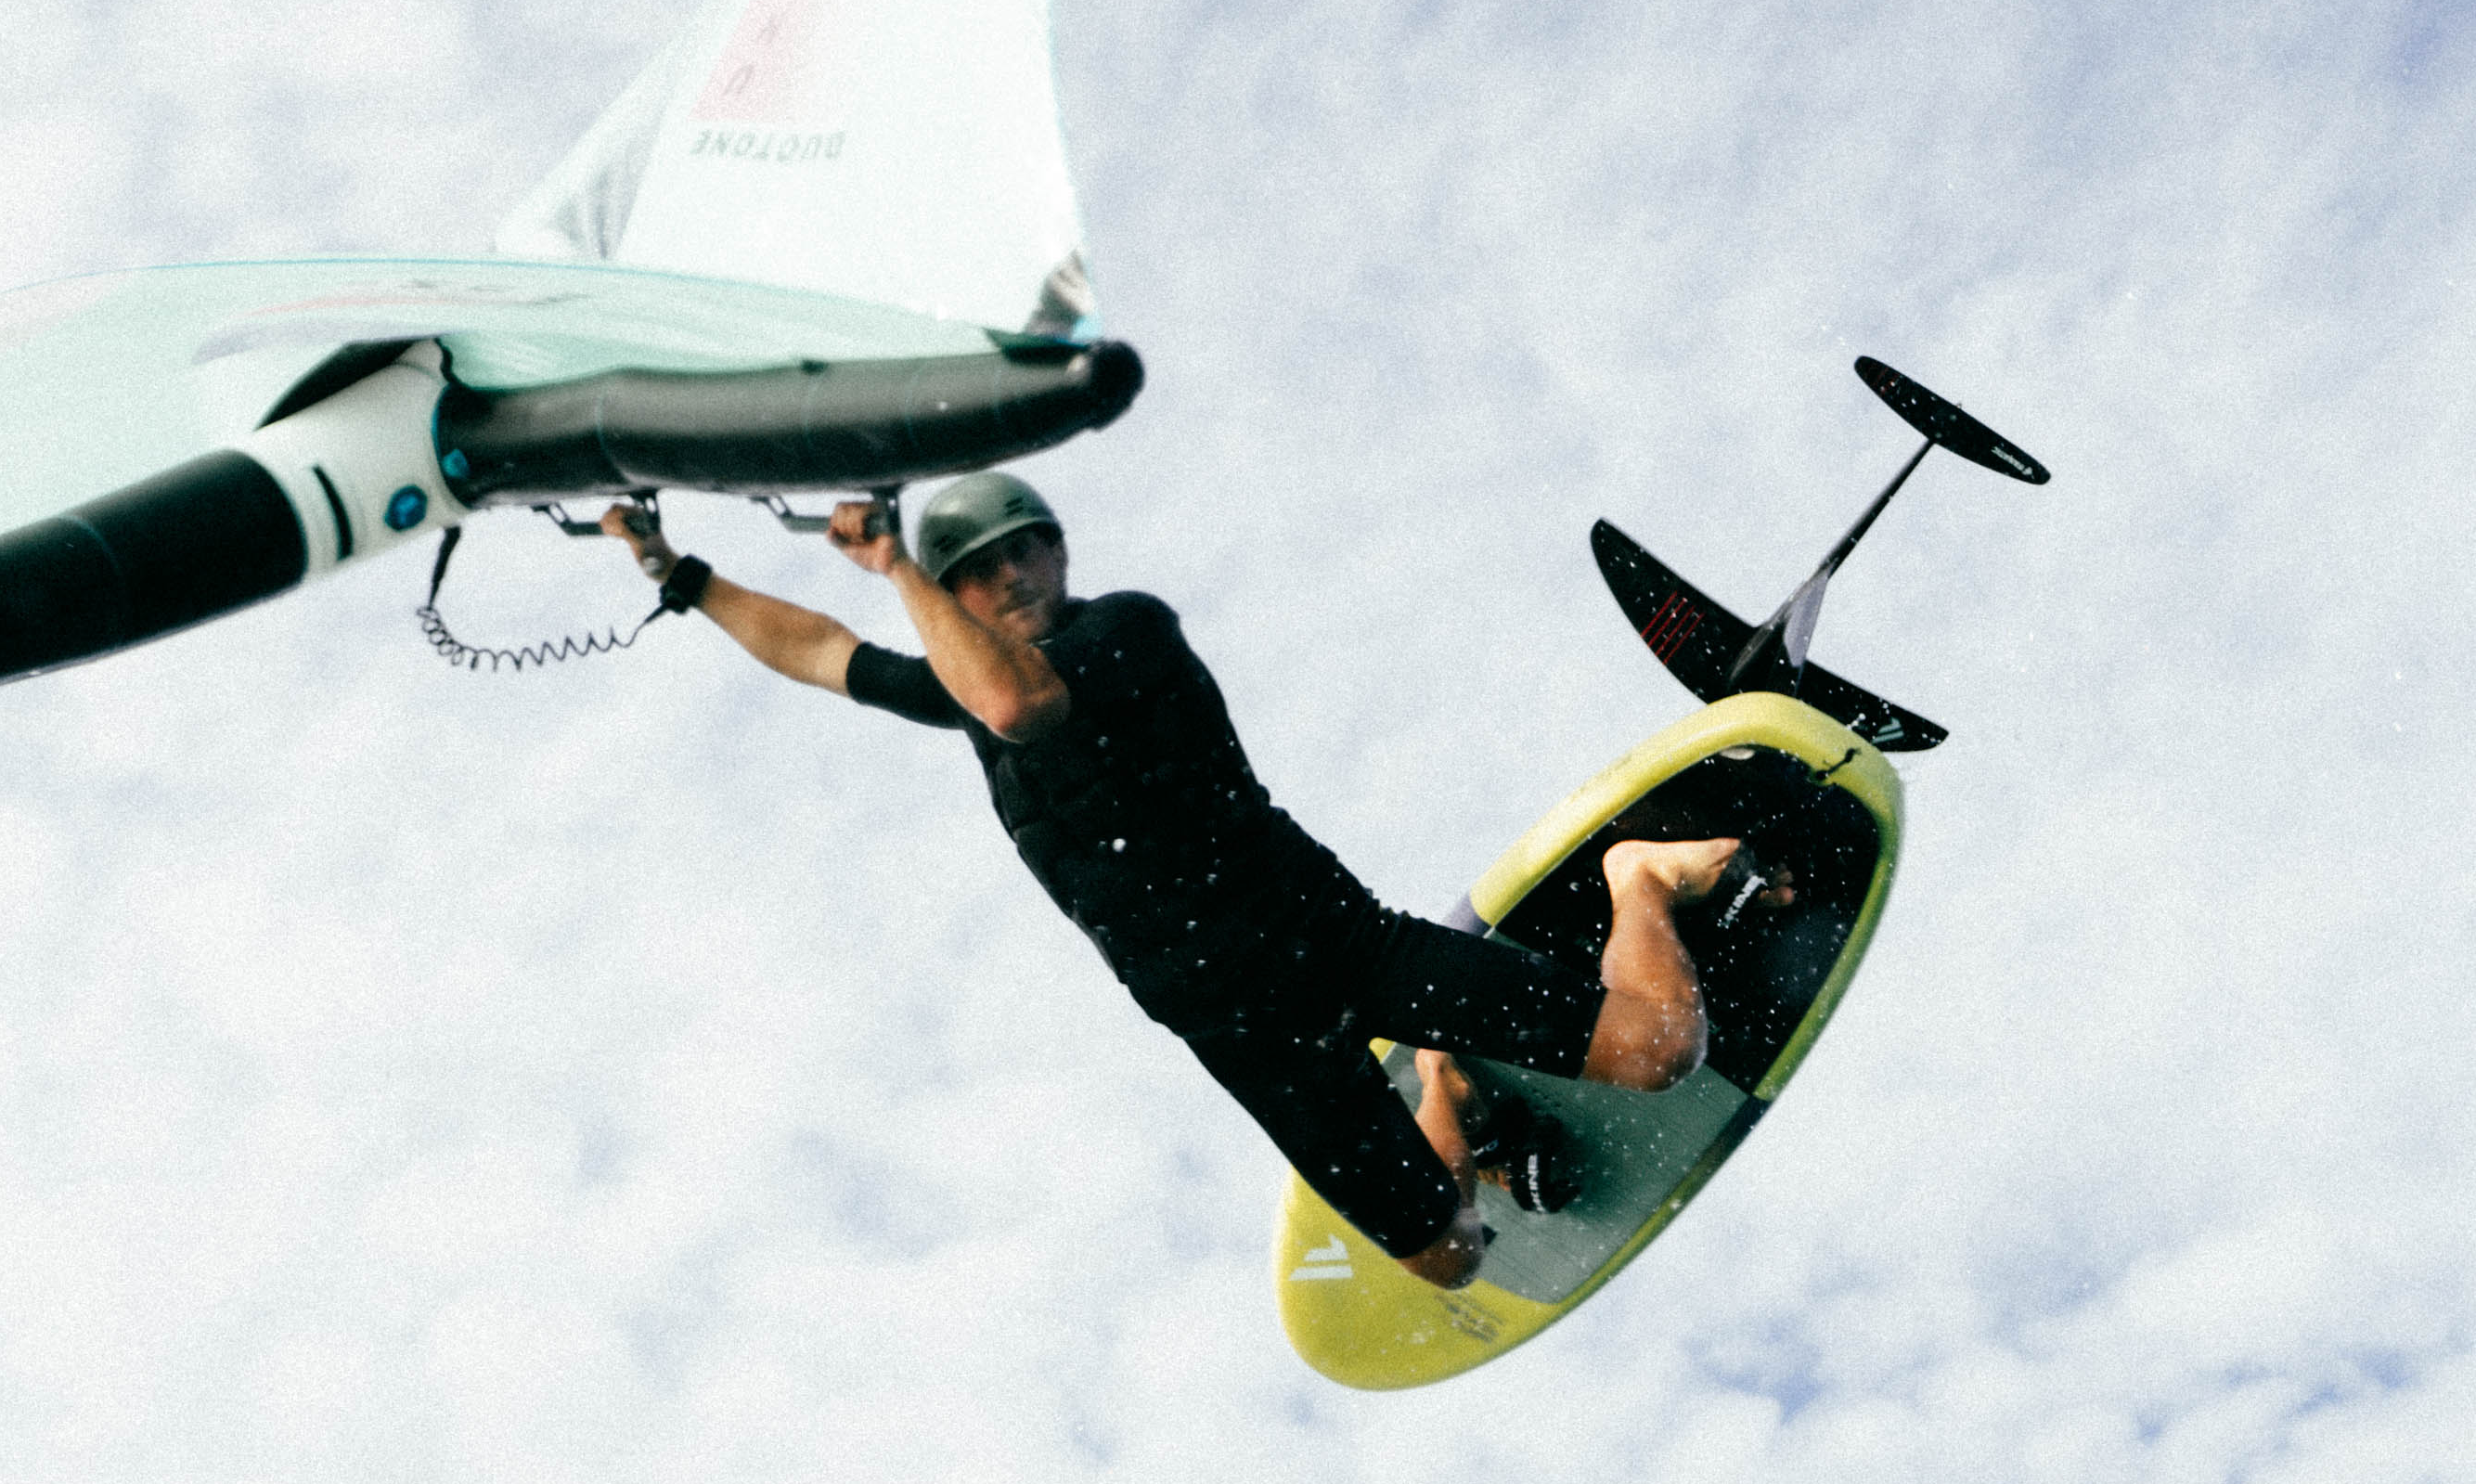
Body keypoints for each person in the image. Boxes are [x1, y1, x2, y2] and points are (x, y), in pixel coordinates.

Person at [601, 471, 1759, 1289]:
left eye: (1020, 549)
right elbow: (814, 650)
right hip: (1244, 1033)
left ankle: (1634, 882)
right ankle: (1446, 1093)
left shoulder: (1127, 632)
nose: (1005, 575)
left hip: (1338, 942)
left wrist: (897, 564)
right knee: (1448, 1257)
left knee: (1661, 1053)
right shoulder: (960, 688)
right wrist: (681, 575)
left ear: (1055, 550)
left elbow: (1020, 704)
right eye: (975, 569)